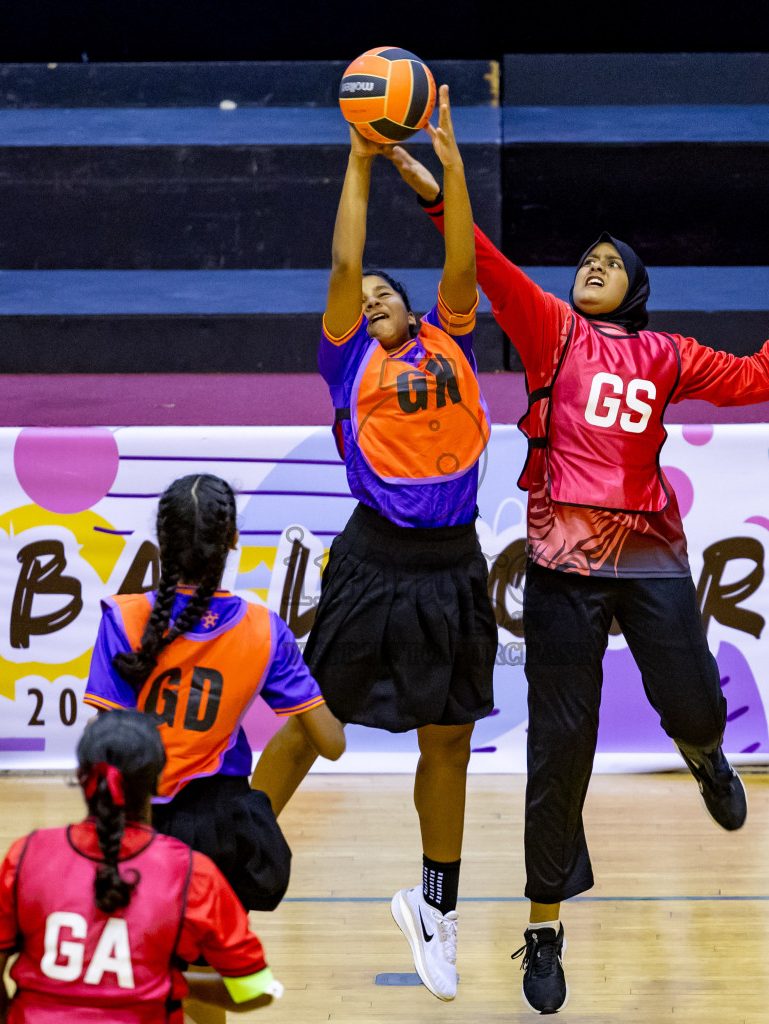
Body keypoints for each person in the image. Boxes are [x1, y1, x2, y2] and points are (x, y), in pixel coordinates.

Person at [386, 144, 769, 1013]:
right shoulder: (549, 329)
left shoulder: (668, 354)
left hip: (649, 553)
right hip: (562, 560)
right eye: (585, 261)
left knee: (695, 703)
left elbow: (763, 378)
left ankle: (705, 755)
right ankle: (543, 930)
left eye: (609, 264)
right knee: (559, 751)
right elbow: (478, 252)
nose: (590, 268)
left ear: (634, 290)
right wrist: (427, 180)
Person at [271, 83, 497, 1002]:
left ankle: (434, 908)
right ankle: (211, 876)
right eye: (357, 299)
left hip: (453, 565)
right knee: (313, 727)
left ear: (416, 309)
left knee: (447, 744)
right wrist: (359, 163)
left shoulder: (453, 335)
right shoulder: (345, 359)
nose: (366, 298)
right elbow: (342, 256)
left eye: (381, 295)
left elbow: (462, 261)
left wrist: (446, 166)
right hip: (373, 562)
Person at [83, 473, 345, 914]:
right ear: (233, 540)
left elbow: (98, 742)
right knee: (215, 968)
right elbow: (332, 744)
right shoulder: (263, 630)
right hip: (220, 832)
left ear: (161, 542)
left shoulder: (123, 619)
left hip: (137, 827)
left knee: (150, 963)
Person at [0, 710, 284, 1024]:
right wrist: (173, 985)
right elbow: (257, 989)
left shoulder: (27, 855)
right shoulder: (191, 872)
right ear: (160, 779)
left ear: (82, 776)